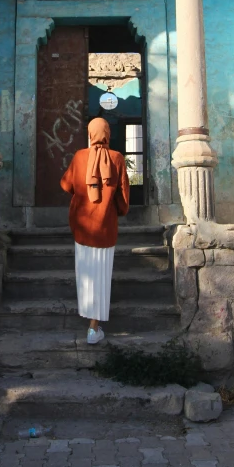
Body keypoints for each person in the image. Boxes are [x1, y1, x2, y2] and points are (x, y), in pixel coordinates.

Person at [60, 117, 130, 344]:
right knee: (102, 275)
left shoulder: (80, 156)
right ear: (107, 134)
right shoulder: (117, 158)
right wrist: (114, 209)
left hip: (82, 227)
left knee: (86, 274)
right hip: (106, 228)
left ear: (90, 135)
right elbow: (123, 199)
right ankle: (93, 328)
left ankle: (89, 322)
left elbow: (66, 185)